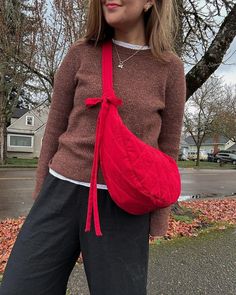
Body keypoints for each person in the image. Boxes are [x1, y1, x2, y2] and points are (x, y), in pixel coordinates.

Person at [0, 0, 186, 294]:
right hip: (60, 194)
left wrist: (158, 217)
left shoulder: (169, 67)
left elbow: (168, 148)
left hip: (123, 206)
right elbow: (54, 130)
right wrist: (42, 195)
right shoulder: (80, 53)